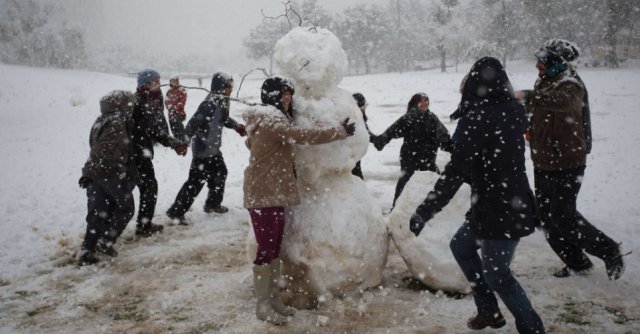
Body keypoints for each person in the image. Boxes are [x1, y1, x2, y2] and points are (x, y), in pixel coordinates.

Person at [409, 57, 545, 333]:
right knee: (461, 246)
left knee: (498, 274)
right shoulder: (512, 110)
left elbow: (454, 173)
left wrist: (425, 211)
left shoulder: (477, 119)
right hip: (504, 203)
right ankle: (489, 311)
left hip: (499, 209)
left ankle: (532, 328)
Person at [243, 77, 355, 325]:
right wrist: (339, 131)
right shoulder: (271, 121)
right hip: (263, 194)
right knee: (266, 249)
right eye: (283, 94)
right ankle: (263, 304)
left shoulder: (271, 119)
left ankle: (273, 299)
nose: (287, 98)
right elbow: (302, 135)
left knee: (273, 248)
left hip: (273, 192)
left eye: (289, 94)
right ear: (271, 95)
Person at [516, 39, 624, 280]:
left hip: (567, 162)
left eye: (542, 61)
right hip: (543, 160)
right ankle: (578, 263)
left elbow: (560, 103)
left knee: (563, 216)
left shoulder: (571, 85)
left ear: (555, 62)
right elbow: (538, 108)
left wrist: (525, 96)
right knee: (546, 219)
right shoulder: (545, 81)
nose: (537, 65)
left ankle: (609, 250)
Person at [166, 72, 247, 223]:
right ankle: (176, 211)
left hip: (213, 149)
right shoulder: (209, 103)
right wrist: (184, 142)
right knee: (195, 182)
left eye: (231, 86)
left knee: (220, 173)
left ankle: (212, 204)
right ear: (221, 87)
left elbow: (222, 118)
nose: (231, 89)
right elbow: (192, 124)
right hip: (203, 151)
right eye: (229, 86)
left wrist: (235, 125)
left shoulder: (221, 101)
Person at [77, 90, 138, 266]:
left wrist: (89, 171)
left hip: (95, 172)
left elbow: (93, 146)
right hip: (110, 172)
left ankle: (87, 249)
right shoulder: (119, 121)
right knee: (126, 208)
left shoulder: (101, 120)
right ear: (122, 104)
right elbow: (107, 149)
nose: (131, 106)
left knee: (98, 212)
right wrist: (119, 167)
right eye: (129, 103)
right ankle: (106, 240)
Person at [372, 93, 453, 209]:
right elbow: (392, 131)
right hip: (410, 158)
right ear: (415, 104)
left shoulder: (432, 118)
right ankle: (397, 208)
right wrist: (380, 141)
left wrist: (451, 147)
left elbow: (443, 135)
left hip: (428, 158)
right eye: (422, 102)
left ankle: (438, 207)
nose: (425, 104)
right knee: (405, 182)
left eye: (427, 101)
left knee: (435, 180)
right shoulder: (409, 118)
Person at [131, 69, 187, 237]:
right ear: (145, 84)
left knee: (148, 188)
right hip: (134, 156)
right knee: (141, 190)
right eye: (156, 81)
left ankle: (143, 224)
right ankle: (138, 226)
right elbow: (136, 131)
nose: (159, 84)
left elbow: (155, 130)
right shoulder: (136, 103)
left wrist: (174, 144)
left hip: (141, 155)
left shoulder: (147, 101)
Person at [350, 92, 374, 180]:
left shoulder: (358, 117)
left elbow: (365, 132)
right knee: (356, 178)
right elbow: (365, 132)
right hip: (350, 155)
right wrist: (377, 140)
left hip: (354, 155)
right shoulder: (354, 118)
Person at [165, 75, 188, 140]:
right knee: (173, 127)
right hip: (170, 113)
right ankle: (176, 140)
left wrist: (175, 108)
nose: (174, 83)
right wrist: (169, 108)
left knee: (179, 127)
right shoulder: (169, 91)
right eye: (172, 81)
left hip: (179, 113)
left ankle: (184, 140)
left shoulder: (182, 90)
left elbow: (182, 102)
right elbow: (166, 101)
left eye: (175, 81)